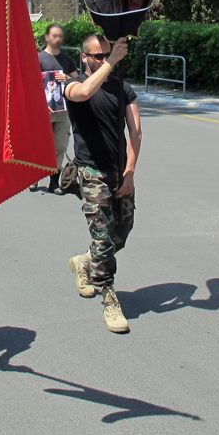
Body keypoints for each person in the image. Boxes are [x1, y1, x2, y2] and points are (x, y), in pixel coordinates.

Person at [63, 34, 140, 334]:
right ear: (84, 57)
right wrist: (111, 63)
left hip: (118, 171)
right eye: (96, 56)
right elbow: (82, 94)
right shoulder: (71, 83)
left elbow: (136, 132)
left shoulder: (123, 89)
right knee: (103, 236)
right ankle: (108, 297)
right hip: (90, 171)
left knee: (123, 230)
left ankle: (85, 262)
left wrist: (130, 171)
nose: (102, 59)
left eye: (106, 54)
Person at [31, 24, 77, 194]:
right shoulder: (38, 58)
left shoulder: (67, 60)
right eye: (54, 36)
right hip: (43, 110)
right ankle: (34, 177)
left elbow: (77, 81)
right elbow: (30, 84)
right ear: (47, 38)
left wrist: (67, 78)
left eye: (60, 36)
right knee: (40, 144)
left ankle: (54, 182)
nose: (58, 39)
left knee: (60, 145)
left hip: (63, 110)